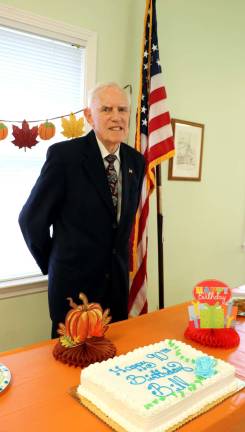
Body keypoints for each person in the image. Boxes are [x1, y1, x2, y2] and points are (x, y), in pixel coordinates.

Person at [18, 82, 145, 337]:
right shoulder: (65, 157)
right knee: (70, 369)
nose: (116, 117)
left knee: (113, 365)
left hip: (116, 292)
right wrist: (54, 263)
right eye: (106, 109)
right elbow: (31, 220)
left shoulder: (136, 161)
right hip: (73, 291)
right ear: (89, 115)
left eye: (122, 109)